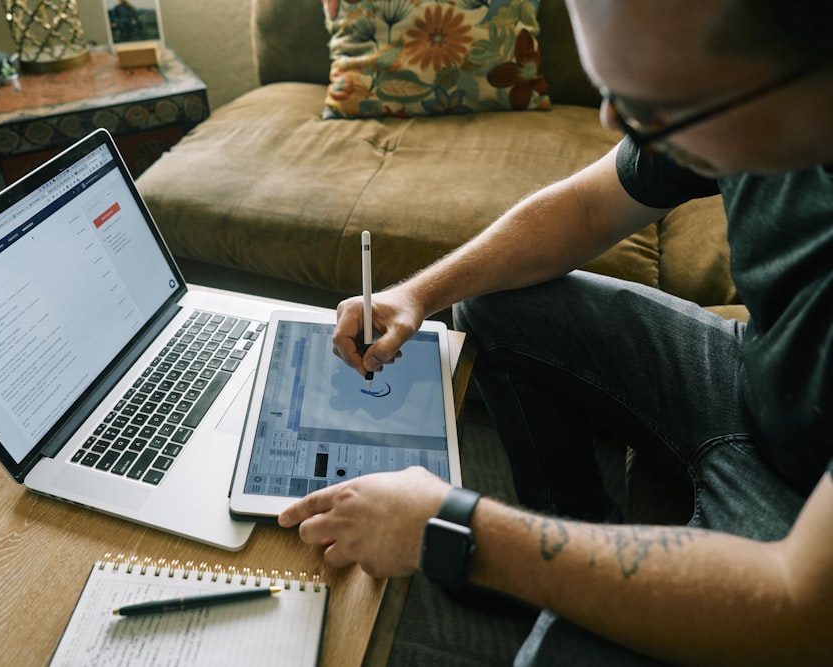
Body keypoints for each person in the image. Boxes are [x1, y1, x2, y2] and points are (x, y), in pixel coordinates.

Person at [277, 1, 833, 664]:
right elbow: (586, 205)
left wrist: (460, 528)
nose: (614, 124)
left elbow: (800, 605)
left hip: (799, 510)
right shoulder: (738, 95)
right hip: (759, 375)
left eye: (646, 107)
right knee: (494, 299)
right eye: (609, 95)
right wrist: (416, 294)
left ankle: (554, 574)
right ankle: (574, 539)